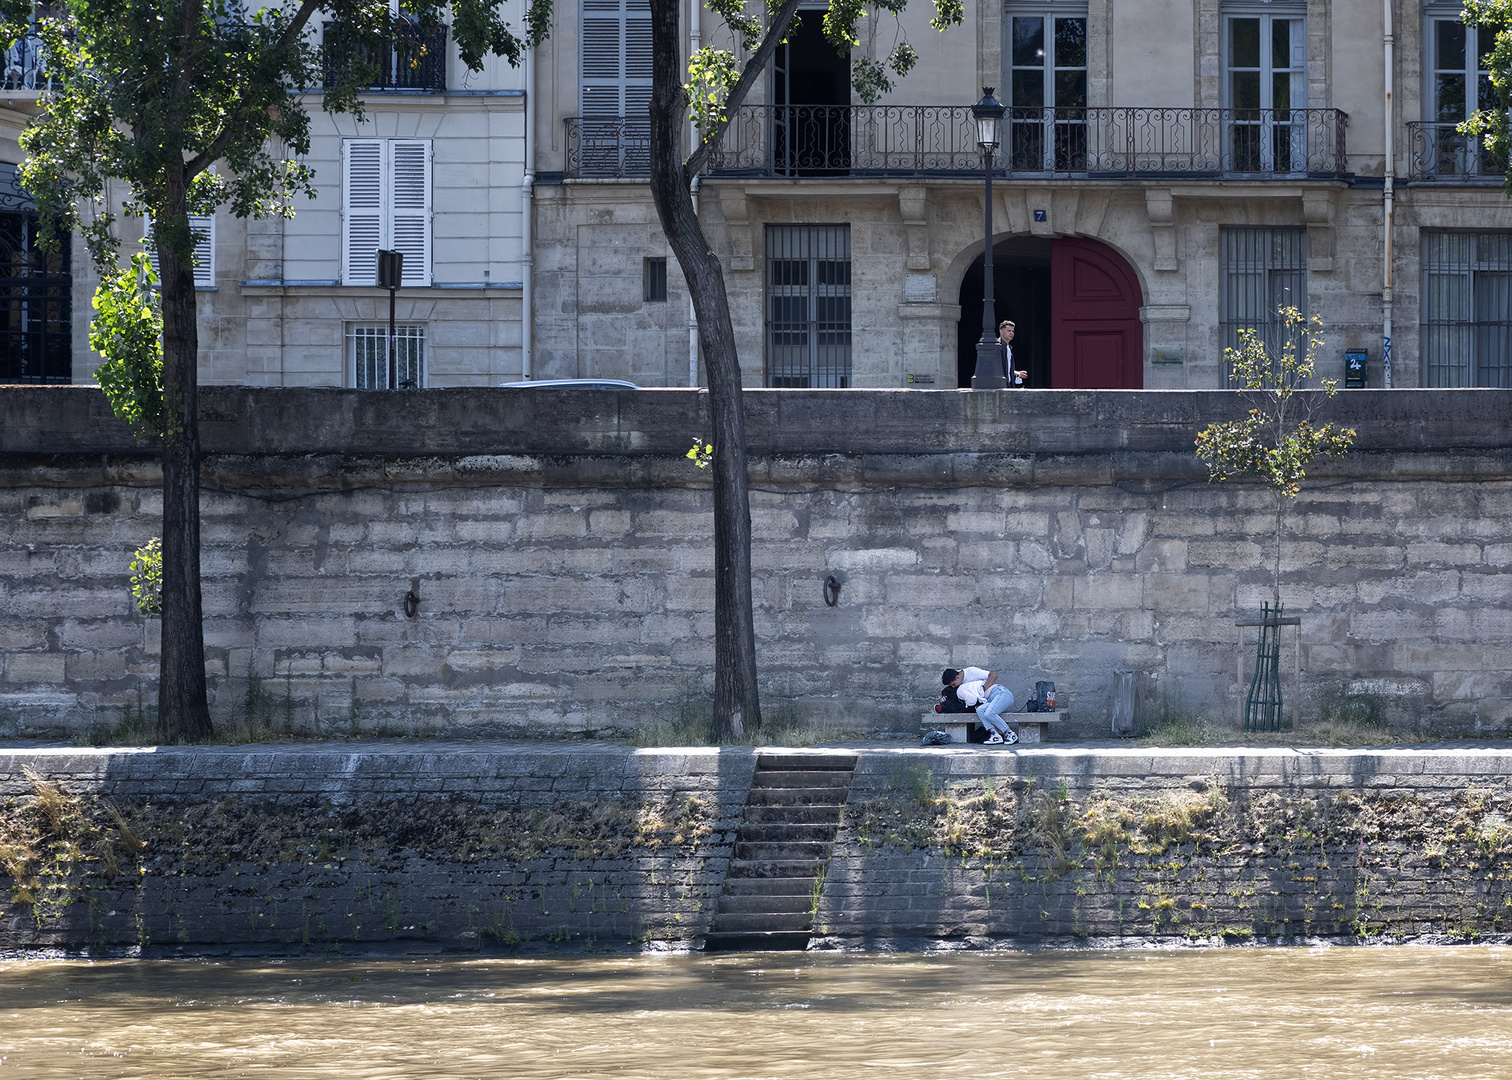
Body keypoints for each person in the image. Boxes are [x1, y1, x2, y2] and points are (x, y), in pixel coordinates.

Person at [942, 666, 1019, 745]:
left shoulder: (971, 672)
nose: (953, 687)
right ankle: (994, 735)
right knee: (980, 710)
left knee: (989, 713)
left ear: (957, 677)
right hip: (989, 700)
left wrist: (983, 689)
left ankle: (1010, 733)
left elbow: (993, 675)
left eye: (953, 684)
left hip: (1000, 693)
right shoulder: (957, 679)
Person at [997, 320, 1028, 387]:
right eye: (1009, 331)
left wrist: (1016, 373)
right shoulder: (997, 347)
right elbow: (997, 368)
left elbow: (1006, 368)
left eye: (1013, 331)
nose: (1011, 333)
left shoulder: (1008, 348)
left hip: (1008, 384)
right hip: (1000, 385)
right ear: (1001, 331)